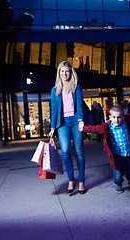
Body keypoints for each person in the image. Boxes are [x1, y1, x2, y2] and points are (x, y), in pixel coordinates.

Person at [80, 105, 130, 194]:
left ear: (123, 117)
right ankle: (118, 184)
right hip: (116, 155)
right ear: (110, 117)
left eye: (119, 117)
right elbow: (95, 128)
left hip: (129, 153)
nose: (117, 120)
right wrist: (84, 128)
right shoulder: (107, 127)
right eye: (114, 117)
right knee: (117, 173)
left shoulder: (127, 121)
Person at [49, 61, 86, 194]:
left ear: (71, 73)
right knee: (65, 151)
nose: (64, 73)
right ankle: (71, 179)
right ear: (59, 73)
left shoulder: (76, 86)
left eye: (67, 71)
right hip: (62, 123)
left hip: (76, 121)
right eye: (62, 71)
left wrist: (81, 120)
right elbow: (54, 109)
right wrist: (52, 127)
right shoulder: (55, 90)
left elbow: (80, 105)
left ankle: (81, 181)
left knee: (79, 151)